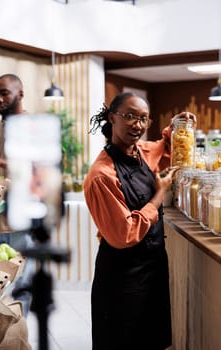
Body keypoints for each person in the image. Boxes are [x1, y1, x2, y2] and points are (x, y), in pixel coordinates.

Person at [83, 92, 196, 350]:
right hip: (121, 279)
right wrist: (159, 194)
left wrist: (177, 125)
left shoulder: (141, 153)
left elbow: (163, 146)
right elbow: (124, 234)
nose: (138, 125)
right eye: (130, 116)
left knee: (152, 341)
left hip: (153, 269)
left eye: (144, 119)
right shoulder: (101, 175)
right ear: (112, 118)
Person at [0, 73, 35, 318]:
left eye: (4, 92)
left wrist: (0, 161)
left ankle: (19, 336)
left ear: (20, 93)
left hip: (19, 224)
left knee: (21, 288)